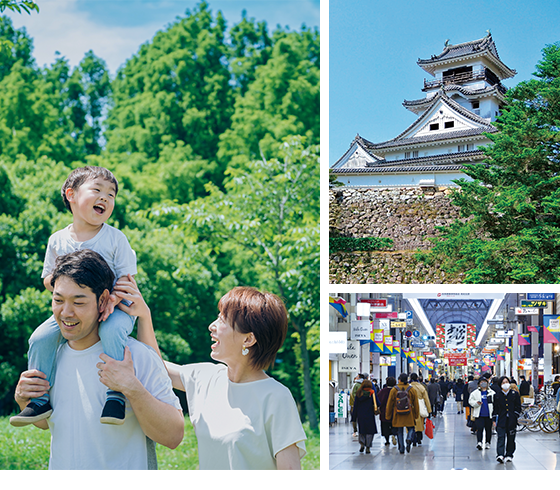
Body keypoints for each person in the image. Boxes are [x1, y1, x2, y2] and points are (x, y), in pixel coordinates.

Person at [12, 250, 184, 470]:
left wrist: (132, 388)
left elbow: (174, 436)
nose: (66, 312)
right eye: (58, 300)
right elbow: (48, 423)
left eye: (79, 302)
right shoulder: (49, 358)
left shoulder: (134, 356)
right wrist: (24, 400)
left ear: (103, 300)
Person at [10, 166, 137, 427]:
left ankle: (116, 395)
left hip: (114, 309)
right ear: (71, 195)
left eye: (111, 195)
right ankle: (39, 399)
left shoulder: (115, 239)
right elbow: (47, 279)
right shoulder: (58, 240)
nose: (105, 198)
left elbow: (127, 280)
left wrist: (110, 301)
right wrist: (64, 287)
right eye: (97, 190)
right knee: (39, 338)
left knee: (111, 333)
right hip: (74, 310)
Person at [157, 286, 307, 470]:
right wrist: (143, 315)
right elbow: (155, 367)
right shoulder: (208, 377)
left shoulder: (276, 397)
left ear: (248, 340)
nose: (211, 326)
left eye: (222, 320)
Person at [386, 373, 419, 454]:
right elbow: (416, 403)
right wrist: (416, 414)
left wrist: (388, 415)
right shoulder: (411, 389)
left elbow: (389, 403)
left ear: (399, 380)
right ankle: (409, 438)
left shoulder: (394, 389)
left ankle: (401, 448)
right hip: (409, 413)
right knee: (411, 428)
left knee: (399, 431)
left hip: (398, 413)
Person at [493, 376, 522, 464]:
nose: (505, 384)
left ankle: (509, 454)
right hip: (501, 419)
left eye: (507, 382)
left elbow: (518, 406)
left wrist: (515, 415)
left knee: (511, 438)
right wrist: (494, 419)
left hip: (512, 420)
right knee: (501, 437)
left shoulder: (514, 394)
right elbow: (495, 408)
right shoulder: (497, 395)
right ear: (500, 385)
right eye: (503, 382)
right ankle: (500, 454)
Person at [352, 379, 378, 454]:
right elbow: (377, 403)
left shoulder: (359, 393)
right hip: (369, 415)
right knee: (370, 431)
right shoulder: (372, 393)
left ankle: (362, 443)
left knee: (362, 430)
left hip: (361, 415)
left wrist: (354, 417)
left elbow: (355, 405)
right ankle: (368, 447)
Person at [469, 377, 495, 450]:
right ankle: (479, 442)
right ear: (479, 384)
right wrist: (476, 403)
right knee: (479, 429)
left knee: (488, 429)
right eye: (481, 382)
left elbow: (495, 402)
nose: (483, 383)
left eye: (485, 382)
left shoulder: (491, 392)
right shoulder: (475, 393)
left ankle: (487, 442)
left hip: (488, 414)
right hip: (479, 414)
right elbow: (470, 401)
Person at [410, 373, 431, 446]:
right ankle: (419, 438)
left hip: (410, 408)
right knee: (419, 424)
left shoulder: (409, 387)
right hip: (420, 407)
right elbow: (426, 399)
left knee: (411, 424)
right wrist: (429, 410)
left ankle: (412, 438)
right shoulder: (421, 387)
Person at [377, 377, 397, 446]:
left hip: (384, 412)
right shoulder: (396, 391)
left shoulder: (382, 391)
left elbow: (378, 401)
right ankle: (394, 434)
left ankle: (387, 440)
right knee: (394, 424)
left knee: (385, 426)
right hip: (394, 411)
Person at [349, 373, 365, 438]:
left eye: (357, 376)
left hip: (354, 404)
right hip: (360, 404)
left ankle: (355, 431)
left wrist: (354, 403)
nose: (356, 377)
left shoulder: (357, 385)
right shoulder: (363, 385)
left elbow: (354, 394)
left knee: (354, 417)